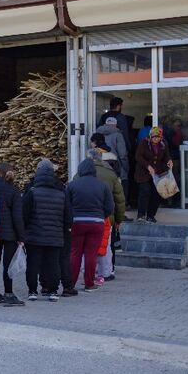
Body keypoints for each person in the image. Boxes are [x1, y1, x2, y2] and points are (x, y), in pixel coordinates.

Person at [23, 159, 72, 302]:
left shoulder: (32, 192)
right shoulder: (61, 193)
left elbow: (24, 214)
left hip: (34, 236)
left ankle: (32, 291)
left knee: (32, 263)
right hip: (55, 236)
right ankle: (53, 291)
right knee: (54, 264)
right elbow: (68, 217)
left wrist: (25, 232)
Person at [67, 159, 114, 292]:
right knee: (91, 254)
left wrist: (71, 218)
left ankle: (70, 284)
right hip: (96, 223)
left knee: (75, 253)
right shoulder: (103, 185)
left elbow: (67, 205)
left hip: (77, 222)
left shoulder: (72, 185)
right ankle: (89, 283)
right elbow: (110, 207)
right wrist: (100, 216)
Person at [86, 149, 125, 285]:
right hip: (106, 217)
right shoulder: (110, 174)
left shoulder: (80, 174)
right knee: (105, 246)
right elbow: (119, 199)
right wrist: (119, 219)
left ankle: (89, 272)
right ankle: (106, 272)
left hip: (84, 216)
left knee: (87, 246)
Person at [0, 163, 26, 307]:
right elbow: (17, 216)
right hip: (10, 233)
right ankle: (9, 293)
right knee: (8, 264)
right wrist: (21, 237)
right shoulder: (14, 191)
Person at [134, 127, 173, 223]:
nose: (156, 139)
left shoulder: (163, 144)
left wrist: (169, 161)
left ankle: (151, 215)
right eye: (154, 137)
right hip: (144, 173)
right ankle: (141, 215)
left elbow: (167, 156)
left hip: (158, 172)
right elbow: (138, 156)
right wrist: (148, 166)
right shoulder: (144, 143)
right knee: (145, 192)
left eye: (158, 137)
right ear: (150, 136)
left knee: (156, 194)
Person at [96, 116, 129, 198]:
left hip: (101, 165)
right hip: (116, 166)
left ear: (105, 124)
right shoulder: (118, 135)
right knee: (120, 187)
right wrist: (126, 168)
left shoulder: (97, 134)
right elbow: (122, 154)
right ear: (115, 125)